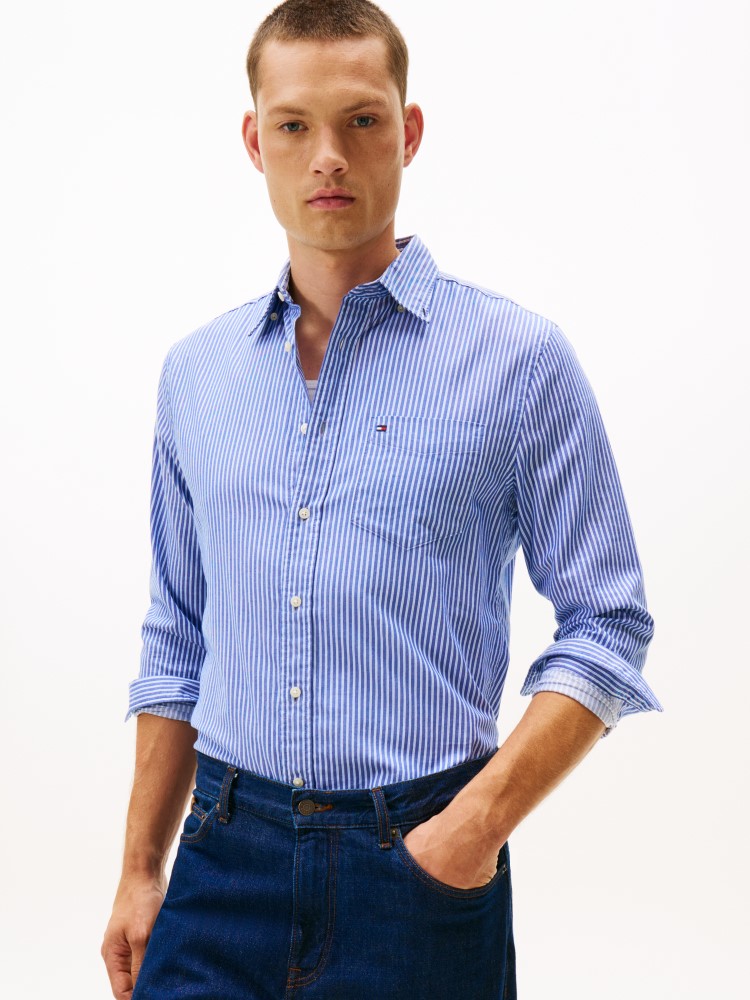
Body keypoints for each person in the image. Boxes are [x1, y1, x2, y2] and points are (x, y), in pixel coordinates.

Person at [101, 1, 663, 997]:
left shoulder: (518, 362)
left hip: (419, 865)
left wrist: (472, 827)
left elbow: (608, 625)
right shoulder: (196, 375)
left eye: (361, 120)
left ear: (407, 130)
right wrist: (142, 868)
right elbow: (177, 636)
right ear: (255, 141)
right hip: (220, 860)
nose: (328, 156)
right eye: (295, 125)